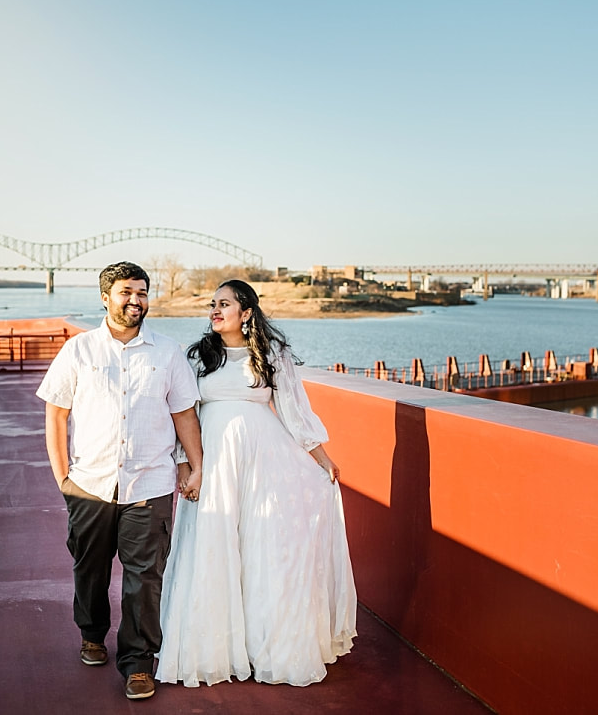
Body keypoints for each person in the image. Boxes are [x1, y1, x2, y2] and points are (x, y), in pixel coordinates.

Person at [157, 278, 357, 688]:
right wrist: (184, 465)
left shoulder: (271, 354)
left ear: (246, 313)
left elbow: (293, 410)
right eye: (212, 304)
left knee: (264, 547)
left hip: (266, 460)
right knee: (213, 545)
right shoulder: (197, 357)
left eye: (224, 304)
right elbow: (184, 414)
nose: (214, 310)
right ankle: (213, 648)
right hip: (211, 461)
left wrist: (321, 458)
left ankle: (262, 644)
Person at [36, 261, 203, 701]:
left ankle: (138, 662)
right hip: (89, 485)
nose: (136, 301)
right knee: (89, 570)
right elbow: (56, 412)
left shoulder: (168, 352)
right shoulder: (80, 351)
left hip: (149, 484)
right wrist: (63, 480)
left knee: (144, 578)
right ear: (106, 297)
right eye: (127, 292)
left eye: (142, 292)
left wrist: (194, 464)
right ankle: (92, 633)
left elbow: (184, 414)